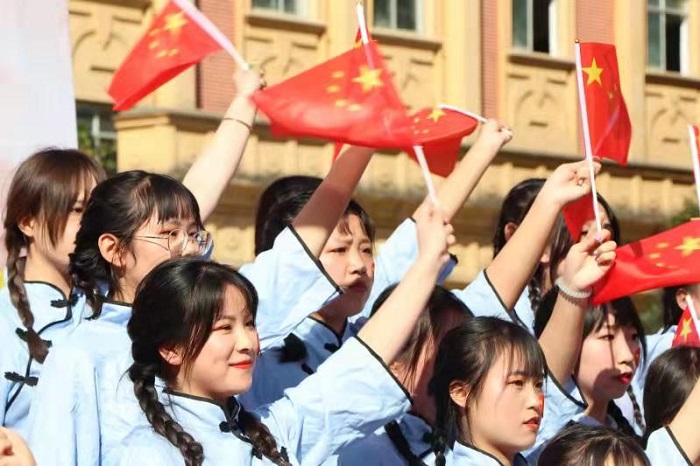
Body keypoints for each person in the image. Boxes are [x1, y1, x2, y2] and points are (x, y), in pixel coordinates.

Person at [113, 201, 455, 465]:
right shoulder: (145, 453)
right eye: (224, 328)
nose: (247, 343)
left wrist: (427, 263)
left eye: (250, 324)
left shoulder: (274, 430)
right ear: (171, 348)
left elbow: (358, 366)